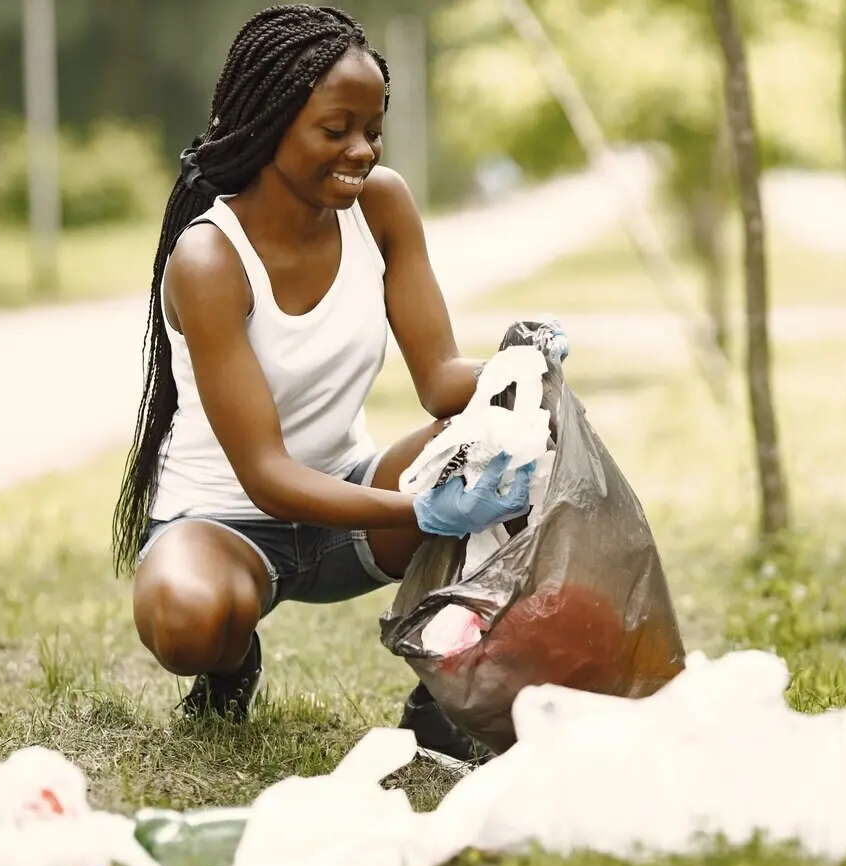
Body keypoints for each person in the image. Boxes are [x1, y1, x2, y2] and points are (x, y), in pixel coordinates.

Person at [109, 4, 569, 762]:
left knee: (513, 442)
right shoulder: (209, 261)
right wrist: (421, 508)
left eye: (372, 129)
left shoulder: (381, 206)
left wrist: (517, 366)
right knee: (190, 621)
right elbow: (266, 479)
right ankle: (230, 665)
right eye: (336, 129)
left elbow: (439, 382)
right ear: (267, 123)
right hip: (226, 526)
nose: (361, 150)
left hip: (348, 500)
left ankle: (443, 696)